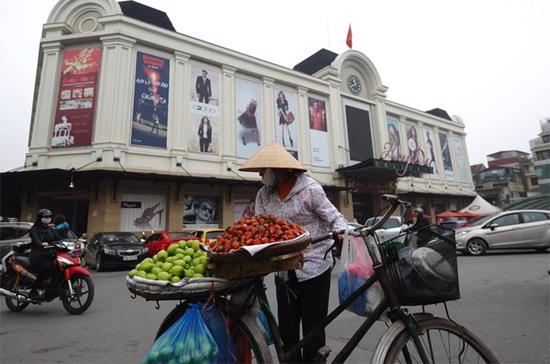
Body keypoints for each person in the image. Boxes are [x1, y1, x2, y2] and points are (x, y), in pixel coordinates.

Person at [239, 142, 348, 362]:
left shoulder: (311, 190)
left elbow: (336, 218)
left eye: (265, 170)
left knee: (313, 329)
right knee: (287, 330)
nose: (261, 174)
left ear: (282, 170)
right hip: (283, 269)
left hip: (315, 265)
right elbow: (260, 225)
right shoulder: (264, 195)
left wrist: (341, 232)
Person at [29, 209, 62, 299]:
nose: (48, 219)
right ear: (40, 218)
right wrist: (41, 243)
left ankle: (52, 289)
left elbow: (60, 239)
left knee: (59, 268)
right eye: (45, 217)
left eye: (49, 217)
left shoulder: (50, 229)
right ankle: (33, 291)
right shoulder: (34, 229)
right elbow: (36, 240)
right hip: (38, 255)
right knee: (46, 268)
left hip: (49, 254)